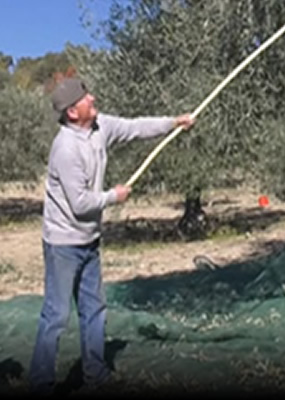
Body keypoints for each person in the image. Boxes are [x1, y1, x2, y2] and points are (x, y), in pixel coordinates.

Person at [29, 77, 195, 393]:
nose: (92, 97)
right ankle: (41, 382)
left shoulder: (100, 126)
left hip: (90, 240)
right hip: (63, 242)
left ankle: (95, 374)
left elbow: (135, 128)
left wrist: (175, 122)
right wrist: (112, 197)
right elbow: (79, 205)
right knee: (57, 313)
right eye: (85, 97)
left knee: (94, 308)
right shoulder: (65, 149)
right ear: (73, 113)